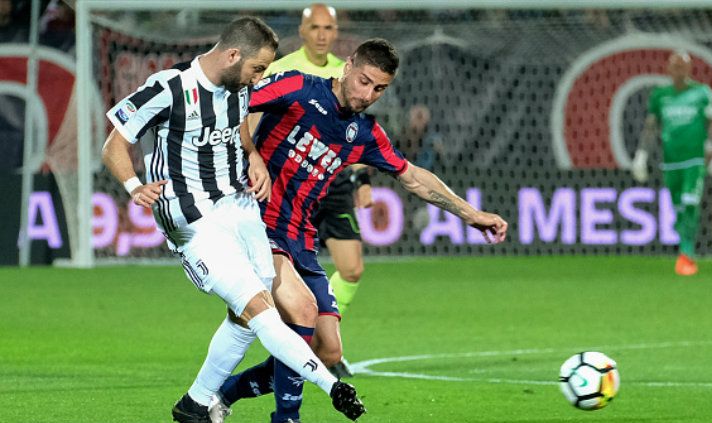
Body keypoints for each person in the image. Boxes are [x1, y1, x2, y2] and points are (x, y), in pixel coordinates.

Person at [212, 38, 508, 423]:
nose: (368, 94)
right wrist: (251, 155)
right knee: (302, 310)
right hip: (258, 224)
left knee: (327, 351)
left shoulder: (365, 133)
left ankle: (221, 395)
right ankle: (286, 418)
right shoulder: (300, 87)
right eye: (364, 81)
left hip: (301, 237)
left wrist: (471, 214)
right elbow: (232, 102)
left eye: (380, 88)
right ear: (348, 65)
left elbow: (414, 177)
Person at [101, 17, 364, 423]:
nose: (260, 77)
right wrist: (134, 185)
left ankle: (194, 405)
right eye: (258, 68)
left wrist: (254, 157)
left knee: (243, 317)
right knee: (261, 311)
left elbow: (238, 130)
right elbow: (115, 142)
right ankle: (330, 384)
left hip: (239, 208)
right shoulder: (169, 87)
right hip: (190, 216)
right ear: (232, 54)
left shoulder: (238, 88)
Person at [258, 3, 370, 380]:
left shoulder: (349, 74)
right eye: (315, 27)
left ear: (336, 32)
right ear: (303, 31)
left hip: (332, 183)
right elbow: (252, 116)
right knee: (280, 279)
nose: (322, 34)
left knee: (352, 269)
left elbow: (358, 135)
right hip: (285, 187)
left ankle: (327, 338)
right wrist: (252, 161)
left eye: (329, 28)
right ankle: (302, 344)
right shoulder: (282, 69)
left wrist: (363, 180)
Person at [631, 50, 712, 276]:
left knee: (690, 201)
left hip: (694, 159)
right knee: (679, 208)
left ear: (690, 69)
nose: (680, 70)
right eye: (676, 66)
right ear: (668, 69)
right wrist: (641, 154)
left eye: (684, 65)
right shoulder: (660, 96)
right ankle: (685, 242)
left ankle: (686, 254)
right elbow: (651, 126)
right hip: (670, 161)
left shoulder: (702, 93)